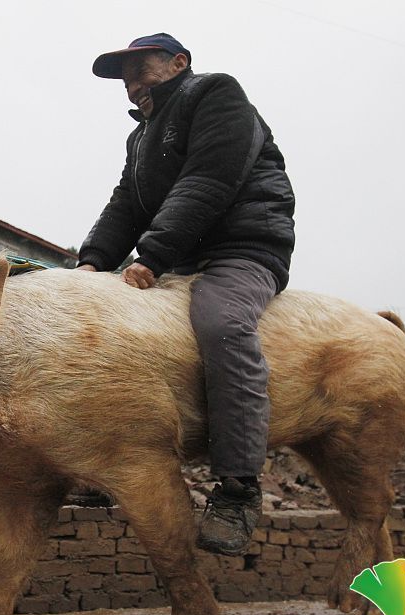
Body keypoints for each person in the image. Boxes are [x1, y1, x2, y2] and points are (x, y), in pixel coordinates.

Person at [77, 34, 296, 556]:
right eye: (123, 76)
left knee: (222, 325)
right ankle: (98, 462)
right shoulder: (141, 139)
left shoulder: (216, 94)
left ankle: (238, 489)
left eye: (140, 68)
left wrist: (149, 259)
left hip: (243, 248)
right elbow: (125, 205)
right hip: (182, 255)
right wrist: (90, 265)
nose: (130, 83)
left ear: (179, 62)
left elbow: (208, 181)